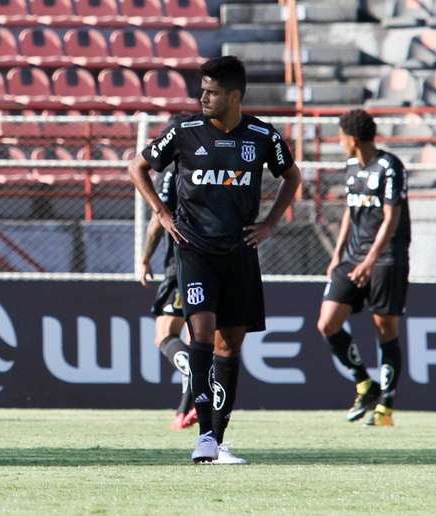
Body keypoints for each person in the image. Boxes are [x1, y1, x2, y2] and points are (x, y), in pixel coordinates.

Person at [129, 56, 302, 464]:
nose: (202, 97)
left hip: (240, 253)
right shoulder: (184, 131)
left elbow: (292, 177)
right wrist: (162, 211)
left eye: (212, 92)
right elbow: (136, 166)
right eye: (202, 90)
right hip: (195, 251)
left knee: (231, 345)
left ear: (235, 96)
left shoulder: (262, 136)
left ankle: (219, 439)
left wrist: (270, 223)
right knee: (202, 335)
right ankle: (203, 436)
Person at [316, 109, 410, 427]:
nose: (339, 142)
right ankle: (364, 383)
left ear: (352, 139)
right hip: (352, 259)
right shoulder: (350, 167)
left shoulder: (390, 166)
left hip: (385, 260)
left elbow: (391, 218)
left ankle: (386, 406)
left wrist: (370, 261)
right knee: (327, 323)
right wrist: (337, 254)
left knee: (385, 328)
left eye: (341, 137)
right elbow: (349, 210)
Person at [139, 156, 196, 430]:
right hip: (217, 261)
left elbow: (157, 220)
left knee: (165, 335)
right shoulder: (215, 166)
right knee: (198, 338)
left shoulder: (173, 173)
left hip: (181, 264)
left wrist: (144, 258)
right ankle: (183, 411)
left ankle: (198, 377)